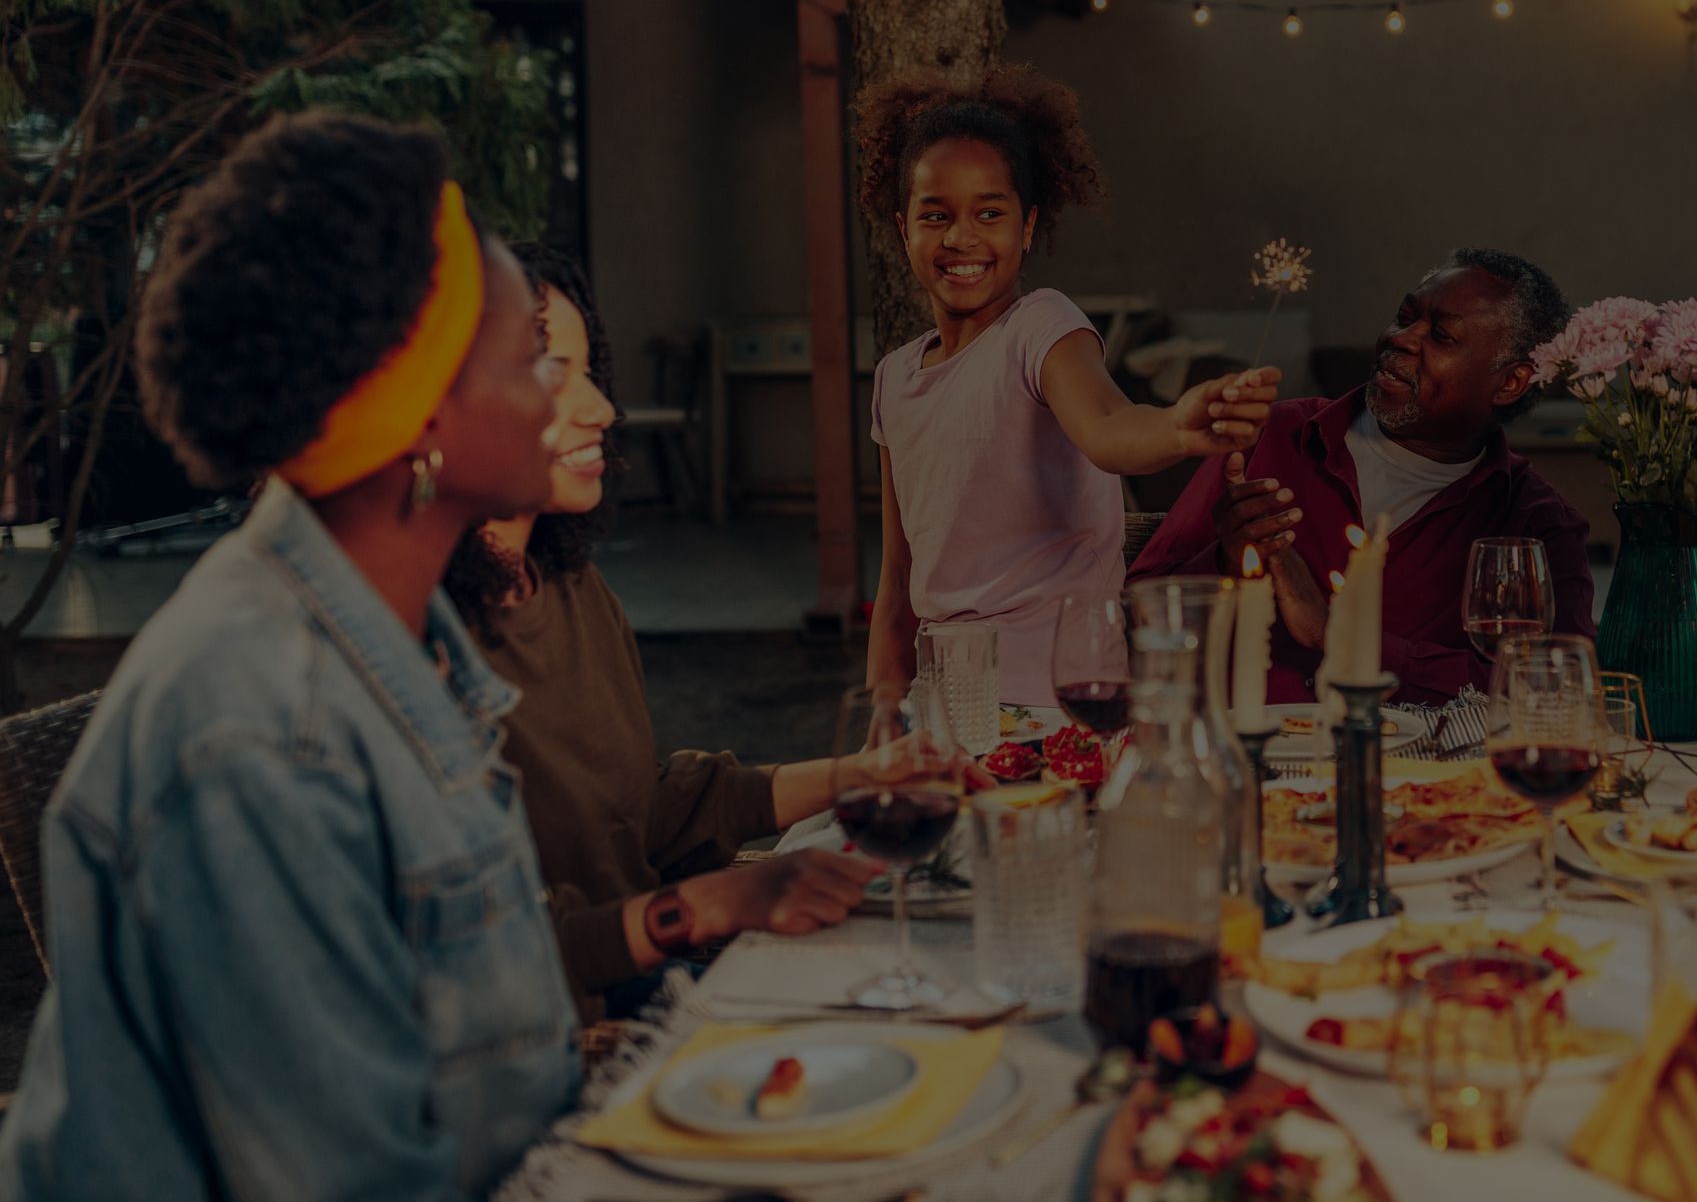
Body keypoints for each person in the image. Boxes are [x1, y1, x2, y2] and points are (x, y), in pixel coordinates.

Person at [0, 114, 579, 1199]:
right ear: (423, 421)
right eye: (522, 355)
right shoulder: (262, 734)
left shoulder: (403, 639)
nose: (557, 389)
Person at [443, 246, 894, 1021]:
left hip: (648, 981)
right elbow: (472, 960)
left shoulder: (576, 590)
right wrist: (706, 906)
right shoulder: (420, 650)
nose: (601, 409)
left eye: (590, 369)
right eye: (553, 369)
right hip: (561, 1037)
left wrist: (868, 774)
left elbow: (645, 810)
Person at [857, 65, 1280, 705]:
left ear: (1027, 227)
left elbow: (1107, 428)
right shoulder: (894, 377)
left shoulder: (1041, 326)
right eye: (935, 214)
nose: (961, 237)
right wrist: (880, 735)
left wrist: (1173, 425)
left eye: (989, 212)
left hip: (1060, 703)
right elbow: (897, 583)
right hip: (941, 708)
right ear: (902, 229)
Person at [1134, 250, 1596, 704]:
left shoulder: (1537, 524)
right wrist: (1225, 561)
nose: (1402, 338)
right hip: (1239, 756)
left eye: (1440, 335)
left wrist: (1340, 636)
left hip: (1424, 773)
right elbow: (1138, 614)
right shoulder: (1268, 439)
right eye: (1404, 317)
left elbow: (1557, 690)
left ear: (1510, 382)